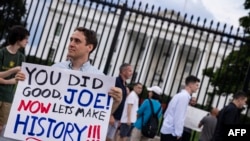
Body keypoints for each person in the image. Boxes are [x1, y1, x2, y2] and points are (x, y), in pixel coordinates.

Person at [0, 25, 29, 134]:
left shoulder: (21, 57)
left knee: (1, 127)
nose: (27, 41)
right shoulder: (2, 53)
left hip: (8, 98)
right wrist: (12, 72)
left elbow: (21, 78)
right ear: (18, 38)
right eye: (26, 38)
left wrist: (19, 78)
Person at [160, 75, 200, 141]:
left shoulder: (179, 95)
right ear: (190, 85)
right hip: (171, 132)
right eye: (196, 85)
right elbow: (179, 116)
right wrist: (178, 133)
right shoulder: (184, 97)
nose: (198, 87)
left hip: (167, 129)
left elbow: (167, 112)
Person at [106, 63, 133, 141]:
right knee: (106, 137)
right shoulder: (116, 81)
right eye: (130, 71)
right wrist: (110, 115)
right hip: (112, 116)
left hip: (117, 117)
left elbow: (122, 102)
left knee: (109, 138)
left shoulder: (125, 85)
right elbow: (110, 98)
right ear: (124, 71)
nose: (131, 73)